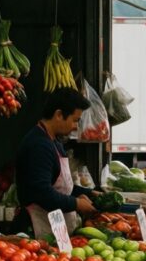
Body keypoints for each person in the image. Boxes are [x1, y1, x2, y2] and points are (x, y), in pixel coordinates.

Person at [15, 87, 96, 237]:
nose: (76, 127)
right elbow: (42, 192)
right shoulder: (38, 145)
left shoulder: (54, 142)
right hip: (36, 230)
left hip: (54, 228)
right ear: (59, 115)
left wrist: (90, 193)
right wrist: (76, 204)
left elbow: (61, 187)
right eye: (75, 120)